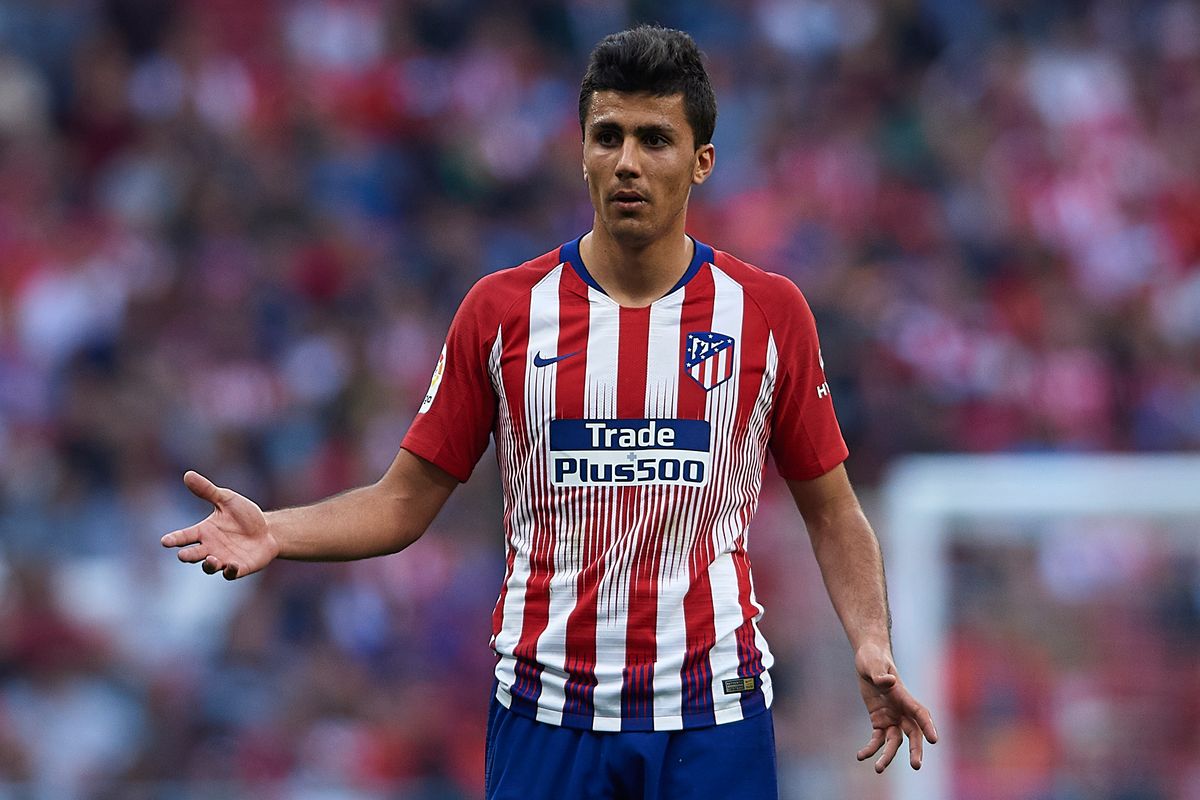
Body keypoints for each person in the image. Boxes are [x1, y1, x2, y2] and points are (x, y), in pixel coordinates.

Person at [161, 24, 937, 799]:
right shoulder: (501, 311)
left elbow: (833, 513)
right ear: (582, 152)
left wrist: (872, 644)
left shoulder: (768, 313)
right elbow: (402, 504)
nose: (628, 161)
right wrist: (276, 531)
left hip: (714, 718)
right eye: (608, 136)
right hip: (546, 715)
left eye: (655, 139)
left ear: (701, 161)